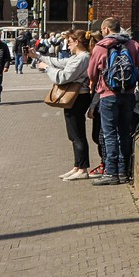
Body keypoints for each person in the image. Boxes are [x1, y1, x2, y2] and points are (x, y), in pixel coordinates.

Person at [87, 17, 139, 186]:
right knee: (124, 132)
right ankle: (123, 172)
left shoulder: (101, 47)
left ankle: (111, 173)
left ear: (106, 29)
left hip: (108, 95)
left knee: (109, 134)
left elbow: (91, 73)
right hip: (128, 95)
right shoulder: (133, 45)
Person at [39, 30, 95, 181]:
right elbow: (59, 62)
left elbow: (63, 77)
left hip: (78, 98)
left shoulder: (83, 58)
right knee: (73, 134)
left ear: (77, 42)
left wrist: (46, 68)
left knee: (77, 134)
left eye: (69, 42)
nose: (67, 45)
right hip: (75, 99)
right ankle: (77, 166)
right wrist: (37, 56)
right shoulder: (78, 57)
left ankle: (83, 168)